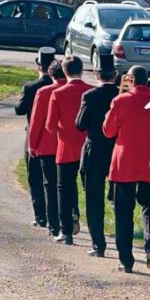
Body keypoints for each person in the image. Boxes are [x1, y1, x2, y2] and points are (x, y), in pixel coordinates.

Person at [102, 66, 150, 274]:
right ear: (148, 80)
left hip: (125, 164)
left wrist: (120, 95)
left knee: (123, 211)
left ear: (130, 80)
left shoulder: (120, 100)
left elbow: (108, 131)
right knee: (149, 205)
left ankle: (126, 259)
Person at [74, 55, 120, 258]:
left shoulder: (89, 96)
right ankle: (122, 244)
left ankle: (98, 244)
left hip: (94, 152)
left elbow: (80, 124)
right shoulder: (121, 95)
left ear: (96, 74)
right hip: (115, 152)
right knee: (121, 202)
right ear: (115, 75)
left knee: (94, 201)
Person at [46, 56, 93, 246]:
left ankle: (66, 232)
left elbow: (50, 125)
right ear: (82, 70)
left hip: (66, 148)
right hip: (88, 148)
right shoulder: (92, 91)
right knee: (91, 191)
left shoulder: (57, 93)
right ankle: (95, 235)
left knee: (63, 189)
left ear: (64, 72)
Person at [13, 48, 58, 229]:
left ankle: (41, 215)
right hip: (55, 137)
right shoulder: (58, 86)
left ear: (39, 66)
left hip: (33, 135)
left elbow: (19, 109)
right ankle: (58, 213)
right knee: (53, 179)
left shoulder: (31, 87)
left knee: (35, 178)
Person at [29, 60, 64, 239]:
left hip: (48, 146)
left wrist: (32, 145)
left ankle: (54, 225)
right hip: (71, 147)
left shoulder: (44, 92)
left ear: (51, 75)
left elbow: (37, 121)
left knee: (50, 186)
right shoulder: (83, 90)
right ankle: (71, 217)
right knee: (68, 186)